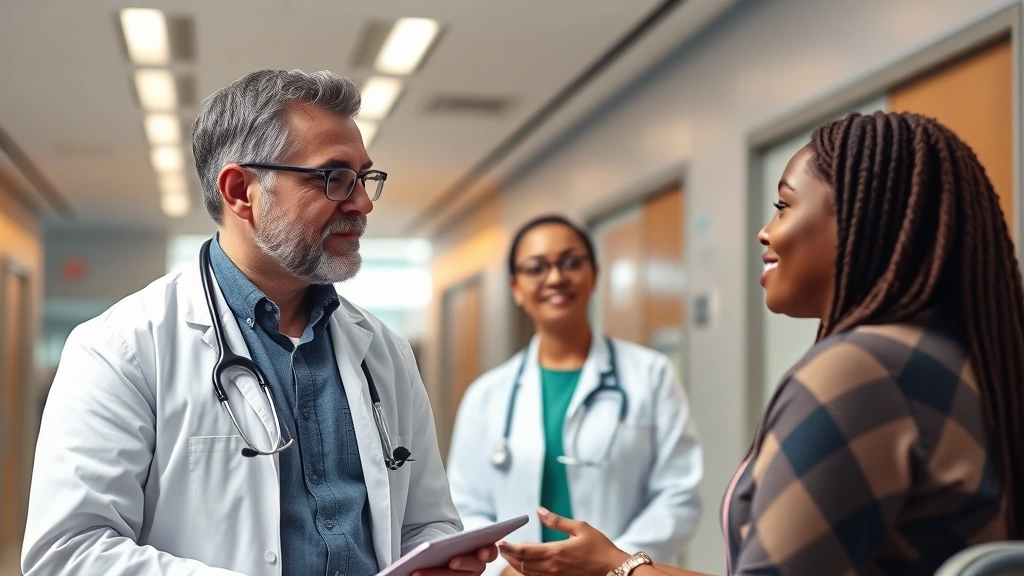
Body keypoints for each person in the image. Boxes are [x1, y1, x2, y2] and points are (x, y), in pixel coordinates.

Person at [498, 111, 1024, 576]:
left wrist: (623, 571)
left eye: (783, 205)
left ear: (861, 217)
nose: (764, 232)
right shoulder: (955, 358)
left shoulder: (859, 372)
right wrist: (620, 566)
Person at [21, 69, 496, 576]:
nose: (361, 203)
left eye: (364, 178)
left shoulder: (385, 351)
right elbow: (68, 552)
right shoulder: (121, 347)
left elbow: (427, 522)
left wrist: (440, 556)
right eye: (334, 177)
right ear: (241, 190)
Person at [447, 215, 703, 576]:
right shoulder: (486, 395)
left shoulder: (651, 375)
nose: (556, 278)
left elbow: (678, 495)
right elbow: (465, 505)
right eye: (536, 268)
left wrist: (613, 563)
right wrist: (503, 569)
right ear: (516, 287)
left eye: (571, 262)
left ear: (594, 274)